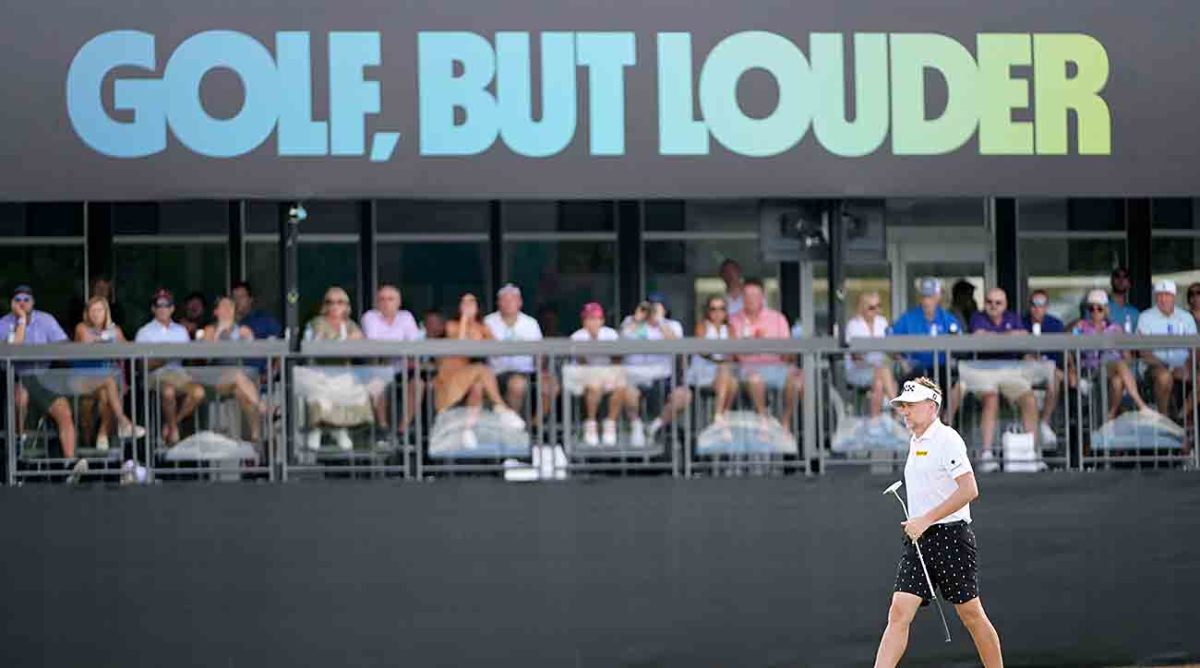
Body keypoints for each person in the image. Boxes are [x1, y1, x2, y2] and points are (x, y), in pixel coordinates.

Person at [874, 377, 1003, 668]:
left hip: (952, 538)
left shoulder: (948, 440)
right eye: (902, 406)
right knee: (898, 613)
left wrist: (925, 520)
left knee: (971, 615)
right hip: (919, 542)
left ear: (932, 407)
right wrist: (919, 524)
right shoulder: (915, 441)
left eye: (911, 405)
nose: (904, 411)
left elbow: (970, 490)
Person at [0, 285, 84, 481]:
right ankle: (17, 456)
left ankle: (71, 464)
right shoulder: (4, 323)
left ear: (33, 302)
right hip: (15, 376)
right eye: (18, 299)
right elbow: (15, 349)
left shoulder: (45, 319)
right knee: (20, 400)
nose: (22, 303)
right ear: (13, 303)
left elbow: (64, 346)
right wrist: (20, 319)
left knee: (64, 411)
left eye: (26, 299)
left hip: (44, 377)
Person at [435, 293, 525, 447]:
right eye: (464, 303)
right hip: (451, 376)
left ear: (477, 308)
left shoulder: (482, 328)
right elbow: (460, 346)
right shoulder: (452, 325)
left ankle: (468, 430)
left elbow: (497, 350)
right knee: (481, 369)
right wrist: (464, 318)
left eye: (472, 303)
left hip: (471, 377)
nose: (468, 306)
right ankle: (502, 408)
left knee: (479, 384)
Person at [966, 288, 1040, 468]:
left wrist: (993, 337)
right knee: (991, 400)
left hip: (1010, 371)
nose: (993, 306)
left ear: (1005, 305)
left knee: (1029, 399)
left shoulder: (1013, 317)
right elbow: (978, 337)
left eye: (998, 303)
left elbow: (1023, 335)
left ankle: (1032, 453)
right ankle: (986, 454)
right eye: (990, 302)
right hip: (983, 371)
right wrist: (1007, 337)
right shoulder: (978, 317)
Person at [729, 278, 805, 433]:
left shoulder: (777, 318)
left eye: (755, 296)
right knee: (755, 379)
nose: (751, 300)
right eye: (747, 296)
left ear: (762, 297)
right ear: (742, 298)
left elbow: (787, 350)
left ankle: (785, 422)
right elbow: (732, 352)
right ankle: (764, 420)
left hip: (776, 367)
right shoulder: (733, 320)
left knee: (799, 379)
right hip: (746, 369)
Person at [134, 288, 205, 446]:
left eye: (167, 305)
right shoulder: (144, 332)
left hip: (179, 374)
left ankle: (171, 425)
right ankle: (173, 432)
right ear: (153, 309)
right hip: (156, 376)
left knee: (199, 392)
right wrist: (166, 357)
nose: (163, 308)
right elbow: (142, 365)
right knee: (168, 391)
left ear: (172, 308)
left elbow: (188, 358)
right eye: (159, 305)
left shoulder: (181, 331)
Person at [73, 295, 144, 451]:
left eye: (100, 310)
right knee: (109, 382)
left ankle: (102, 435)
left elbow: (128, 348)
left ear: (106, 312)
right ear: (87, 312)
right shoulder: (82, 328)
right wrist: (106, 339)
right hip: (83, 379)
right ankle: (123, 422)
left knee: (107, 393)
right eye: (93, 310)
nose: (96, 313)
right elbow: (88, 344)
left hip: (104, 383)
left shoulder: (115, 330)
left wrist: (142, 343)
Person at [620, 293, 691, 446]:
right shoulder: (630, 322)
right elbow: (621, 340)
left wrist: (659, 321)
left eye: (656, 307)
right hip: (634, 376)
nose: (652, 310)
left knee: (684, 396)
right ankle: (636, 425)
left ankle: (655, 427)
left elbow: (676, 345)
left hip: (662, 377)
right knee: (626, 392)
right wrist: (636, 319)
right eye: (650, 306)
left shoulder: (672, 325)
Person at [301, 286, 367, 451]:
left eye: (339, 302)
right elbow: (315, 345)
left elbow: (361, 344)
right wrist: (342, 341)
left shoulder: (350, 325)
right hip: (319, 371)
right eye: (329, 302)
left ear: (346, 306)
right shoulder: (316, 323)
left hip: (343, 371)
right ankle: (319, 428)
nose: (334, 306)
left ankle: (338, 428)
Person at [1071, 289, 1151, 420]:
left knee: (1118, 380)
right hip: (1092, 371)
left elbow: (1127, 355)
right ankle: (1141, 405)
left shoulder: (1115, 328)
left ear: (1106, 309)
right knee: (1118, 364)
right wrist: (1073, 368)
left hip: (1114, 370)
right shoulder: (1081, 327)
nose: (1095, 312)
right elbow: (1069, 350)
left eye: (1099, 309)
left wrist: (1128, 370)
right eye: (1091, 309)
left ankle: (1110, 415)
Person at [484, 284, 557, 423]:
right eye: (504, 300)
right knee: (516, 385)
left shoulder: (530, 323)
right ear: (498, 303)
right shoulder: (488, 322)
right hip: (496, 373)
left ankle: (535, 425)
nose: (508, 303)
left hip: (526, 371)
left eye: (512, 300)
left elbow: (540, 352)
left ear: (520, 303)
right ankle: (514, 425)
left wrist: (542, 371)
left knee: (551, 384)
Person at [200, 296, 268, 443]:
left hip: (237, 381)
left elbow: (253, 352)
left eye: (230, 307)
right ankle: (261, 406)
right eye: (223, 307)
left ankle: (256, 436)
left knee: (243, 394)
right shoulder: (210, 330)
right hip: (214, 379)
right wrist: (219, 333)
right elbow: (205, 356)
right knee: (238, 375)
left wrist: (247, 337)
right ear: (216, 311)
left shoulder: (242, 330)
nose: (227, 310)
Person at [361, 284, 423, 433]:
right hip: (379, 367)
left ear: (398, 302)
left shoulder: (406, 317)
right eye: (382, 299)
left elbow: (415, 344)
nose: (386, 303)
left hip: (402, 368)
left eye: (390, 299)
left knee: (418, 384)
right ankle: (382, 428)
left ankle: (403, 428)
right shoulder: (370, 317)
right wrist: (401, 350)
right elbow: (374, 344)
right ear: (376, 303)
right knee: (378, 382)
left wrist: (398, 351)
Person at [890, 278, 963, 393]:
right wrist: (902, 361)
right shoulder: (908, 318)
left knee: (957, 385)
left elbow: (960, 343)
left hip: (942, 367)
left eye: (930, 297)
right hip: (914, 367)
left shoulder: (947, 318)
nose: (926, 301)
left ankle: (944, 412)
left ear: (938, 297)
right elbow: (890, 340)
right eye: (924, 297)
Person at [1136, 280, 1197, 416]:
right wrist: (1168, 366)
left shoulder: (1186, 318)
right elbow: (1144, 352)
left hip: (1183, 366)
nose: (1163, 299)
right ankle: (1164, 420)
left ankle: (1182, 415)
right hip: (1154, 367)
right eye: (1159, 295)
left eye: (1167, 295)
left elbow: (1194, 349)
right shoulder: (1145, 317)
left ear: (1174, 297)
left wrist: (1189, 366)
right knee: (1164, 377)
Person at [569, 302, 626, 446]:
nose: (593, 322)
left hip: (608, 375)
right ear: (584, 321)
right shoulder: (577, 336)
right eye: (589, 319)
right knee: (594, 385)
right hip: (583, 376)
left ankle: (610, 425)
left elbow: (618, 360)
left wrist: (611, 374)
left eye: (596, 318)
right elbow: (582, 363)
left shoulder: (610, 334)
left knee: (621, 386)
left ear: (602, 320)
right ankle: (591, 425)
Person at [687, 295, 740, 428]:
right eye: (713, 309)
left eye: (721, 309)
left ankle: (721, 415)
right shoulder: (702, 326)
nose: (717, 313)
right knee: (725, 370)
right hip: (704, 369)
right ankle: (719, 416)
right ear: (708, 311)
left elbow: (733, 352)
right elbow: (702, 350)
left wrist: (722, 358)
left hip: (722, 371)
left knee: (732, 383)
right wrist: (720, 358)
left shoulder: (729, 329)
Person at [1022, 289, 1066, 444]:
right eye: (1033, 304)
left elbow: (1064, 356)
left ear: (1047, 306)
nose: (1037, 308)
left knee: (1055, 377)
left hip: (1050, 370)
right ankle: (1030, 432)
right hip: (1026, 372)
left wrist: (1066, 370)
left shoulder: (1056, 325)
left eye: (1041, 304)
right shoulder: (1022, 323)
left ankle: (1044, 423)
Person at [844, 291, 897, 418]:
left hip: (879, 370)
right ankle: (898, 410)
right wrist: (871, 362)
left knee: (880, 381)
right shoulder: (853, 325)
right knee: (883, 372)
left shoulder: (882, 322)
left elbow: (889, 346)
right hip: (857, 369)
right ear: (862, 308)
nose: (876, 310)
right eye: (872, 308)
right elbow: (855, 356)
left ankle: (875, 422)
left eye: (879, 306)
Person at [1108, 267, 1140, 333]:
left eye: (1125, 277)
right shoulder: (1098, 308)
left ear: (1129, 284)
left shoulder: (1135, 313)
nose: (1121, 279)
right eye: (1117, 276)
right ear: (1111, 281)